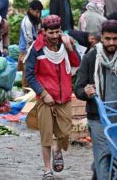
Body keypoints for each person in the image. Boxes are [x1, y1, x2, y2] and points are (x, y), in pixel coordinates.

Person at [24, 15, 80, 179]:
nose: (55, 36)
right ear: (44, 31)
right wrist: (43, 94)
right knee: (46, 135)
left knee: (64, 133)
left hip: (65, 97)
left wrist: (70, 48)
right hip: (46, 98)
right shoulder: (36, 49)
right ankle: (47, 169)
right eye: (51, 33)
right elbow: (30, 75)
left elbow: (77, 63)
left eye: (57, 32)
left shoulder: (65, 43)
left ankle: (58, 149)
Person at [75, 20, 117, 180]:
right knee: (104, 156)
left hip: (116, 118)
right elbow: (78, 88)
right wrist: (86, 91)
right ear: (102, 37)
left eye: (115, 39)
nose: (111, 43)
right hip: (98, 118)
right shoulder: (91, 57)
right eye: (108, 39)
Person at [18, 0, 43, 86]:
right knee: (27, 72)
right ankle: (25, 89)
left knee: (34, 70)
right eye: (37, 12)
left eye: (39, 12)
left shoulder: (36, 18)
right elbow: (29, 40)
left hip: (35, 47)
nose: (38, 14)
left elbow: (39, 31)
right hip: (26, 49)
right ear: (30, 10)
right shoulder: (26, 22)